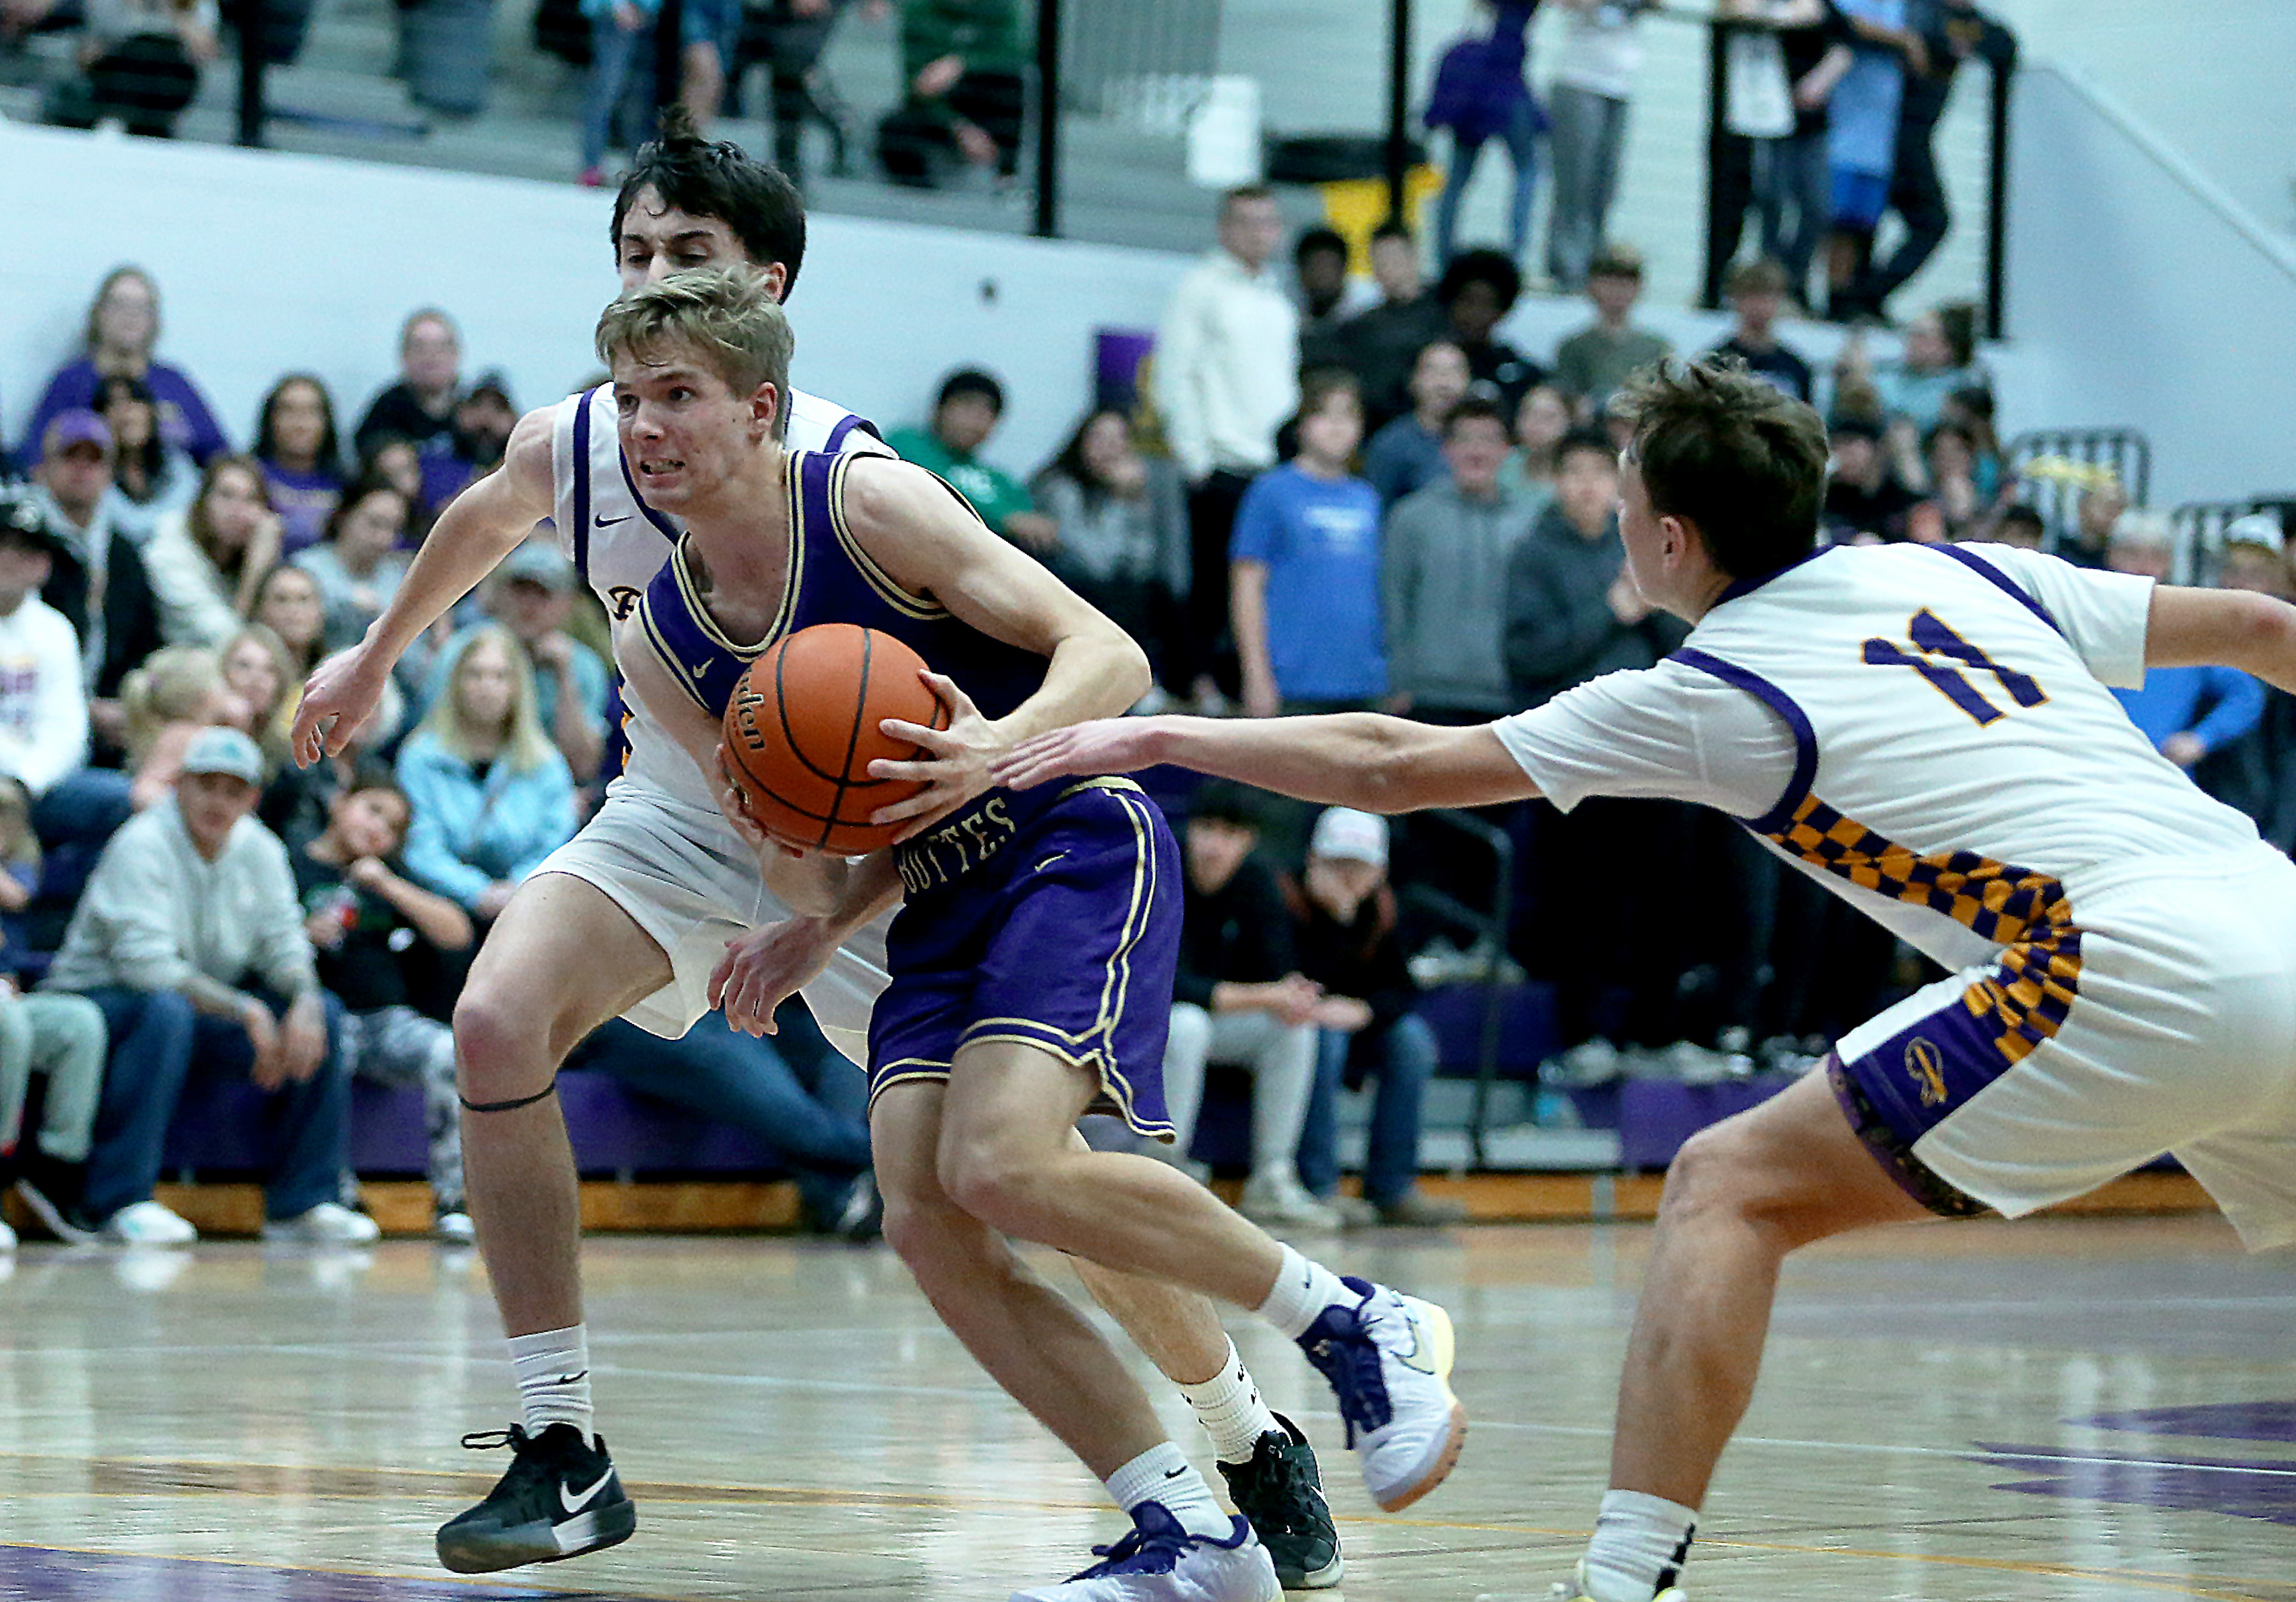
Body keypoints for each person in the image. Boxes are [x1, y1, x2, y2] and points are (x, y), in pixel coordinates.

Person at [998, 356, 2296, 1601]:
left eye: (1624, 509)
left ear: (1673, 539)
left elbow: (1392, 761)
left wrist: (1164, 730)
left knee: (1725, 1190)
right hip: (2271, 904)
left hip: (2110, 960)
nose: (1618, 532)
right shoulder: (1958, 566)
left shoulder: (1714, 686)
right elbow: (2251, 623)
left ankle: (1620, 1576)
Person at [291, 115, 1348, 1587]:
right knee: (492, 1011)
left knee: (1041, 1179)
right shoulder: (587, 433)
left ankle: (1240, 1429)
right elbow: (483, 517)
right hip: (674, 807)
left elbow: (1073, 649)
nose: (654, 277)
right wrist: (372, 652)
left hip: (866, 839)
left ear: (767, 292)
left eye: (689, 257)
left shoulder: (851, 471)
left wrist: (894, 833)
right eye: (634, 254)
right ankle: (560, 1439)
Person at [585, 268, 1457, 1594]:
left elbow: (1107, 652)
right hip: (931, 892)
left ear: (759, 408)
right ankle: (1188, 1527)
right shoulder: (658, 643)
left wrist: (994, 747)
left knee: (1003, 1158)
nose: (645, 428)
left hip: (1067, 832)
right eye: (629, 400)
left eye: (678, 396)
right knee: (927, 1210)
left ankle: (1352, 1321)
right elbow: (821, 864)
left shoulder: (865, 501)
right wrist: (809, 911)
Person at [45, 726, 377, 1247]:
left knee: (325, 1015)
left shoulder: (261, 849)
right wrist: (245, 1009)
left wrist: (305, 998)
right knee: (164, 1011)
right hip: (101, 1005)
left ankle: (304, 1202)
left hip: (197, 1009)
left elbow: (283, 943)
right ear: (180, 786)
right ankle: (118, 1200)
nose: (218, 802)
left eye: (233, 790)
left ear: (252, 798)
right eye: (207, 785)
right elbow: (146, 968)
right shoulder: (142, 843)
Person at [294, 780, 475, 1241]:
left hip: (387, 1021)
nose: (378, 830)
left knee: (451, 1051)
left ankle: (454, 1198)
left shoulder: (389, 876)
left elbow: (456, 933)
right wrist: (301, 934)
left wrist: (388, 884)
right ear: (339, 804)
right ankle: (337, 1193)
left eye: (392, 828)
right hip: (324, 1017)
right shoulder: (294, 864)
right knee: (331, 1051)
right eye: (372, 811)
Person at [1162, 784, 1341, 1233]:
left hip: (1217, 1019)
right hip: (1146, 1020)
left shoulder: (1258, 881)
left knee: (1293, 1029)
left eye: (1229, 833)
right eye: (1206, 828)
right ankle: (1164, 1168)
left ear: (1249, 840)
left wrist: (1292, 996)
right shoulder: (1163, 870)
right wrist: (1267, 995)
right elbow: (1170, 986)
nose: (1214, 844)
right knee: (1187, 1024)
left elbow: (1279, 971)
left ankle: (1272, 1179)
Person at [1156, 186, 1301, 702]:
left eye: (1268, 222)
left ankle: (1245, 684)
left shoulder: (1276, 296)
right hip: (1222, 463)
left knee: (1264, 588)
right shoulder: (1200, 288)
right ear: (1224, 228)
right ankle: (1197, 685)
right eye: (1246, 221)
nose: (1258, 232)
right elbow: (1173, 378)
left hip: (1272, 465)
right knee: (1213, 585)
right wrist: (1196, 459)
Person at [1286, 808, 1463, 1228]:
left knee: (1411, 1040)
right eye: (1337, 864)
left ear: (1379, 871)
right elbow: (1281, 972)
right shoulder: (1284, 897)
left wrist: (1364, 1010)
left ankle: (1392, 1187)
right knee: (1322, 1039)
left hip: (1353, 1026)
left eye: (1358, 866)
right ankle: (1318, 1187)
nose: (1347, 877)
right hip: (1295, 1025)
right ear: (1313, 859)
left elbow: (1403, 990)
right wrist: (1336, 921)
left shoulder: (1382, 910)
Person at [1836, 0, 2014, 322]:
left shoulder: (1962, 21)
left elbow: (2004, 45)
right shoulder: (1917, 10)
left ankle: (1862, 298)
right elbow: (1865, 29)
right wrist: (1918, 41)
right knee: (1880, 223)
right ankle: (1856, 299)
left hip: (1909, 137)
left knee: (1903, 223)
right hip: (1886, 134)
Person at [395, 626, 580, 925]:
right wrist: (477, 893)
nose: (487, 686)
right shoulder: (420, 756)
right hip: (443, 907)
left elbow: (556, 842)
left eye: (500, 676)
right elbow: (420, 845)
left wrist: (517, 889)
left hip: (529, 904)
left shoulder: (546, 761)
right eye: (475, 674)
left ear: (517, 686)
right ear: (455, 682)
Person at [1231, 372, 1387, 723]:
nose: (1337, 426)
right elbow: (1247, 585)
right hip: (1293, 681)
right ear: (1301, 425)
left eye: (1348, 415)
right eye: (1324, 414)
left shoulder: (1368, 499)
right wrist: (1256, 675)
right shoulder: (1271, 492)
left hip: (1364, 680)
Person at [1384, 394, 1541, 726]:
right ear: (1446, 448)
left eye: (1488, 439)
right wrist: (1397, 680)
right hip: (1427, 693)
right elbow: (1394, 600)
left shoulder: (1530, 522)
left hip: (1509, 694)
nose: (1476, 451)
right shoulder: (1411, 516)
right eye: (1465, 439)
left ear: (1508, 450)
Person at [1027, 408, 1192, 701]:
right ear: (1081, 441)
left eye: (1119, 440)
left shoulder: (1121, 491)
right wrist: (1120, 499)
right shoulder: (1059, 486)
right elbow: (1092, 560)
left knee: (1158, 589)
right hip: (1067, 585)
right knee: (1116, 593)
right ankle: (1132, 687)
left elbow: (1143, 563)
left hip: (1109, 588)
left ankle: (1175, 684)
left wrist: (1136, 502)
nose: (1109, 449)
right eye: (1099, 438)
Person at [16, 266, 229, 473]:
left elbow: (220, 457)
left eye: (142, 307)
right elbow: (34, 458)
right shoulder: (71, 382)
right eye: (119, 304)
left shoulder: (173, 384)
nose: (130, 316)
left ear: (154, 320)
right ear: (99, 313)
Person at [425, 545, 608, 782]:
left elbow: (583, 767)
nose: (530, 603)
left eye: (544, 593)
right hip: (461, 780)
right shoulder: (462, 650)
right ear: (500, 593)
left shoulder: (585, 667)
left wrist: (564, 676)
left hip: (543, 789)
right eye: (520, 589)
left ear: (567, 604)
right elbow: (432, 735)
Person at [1544, 0, 1654, 292]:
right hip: (1579, 79)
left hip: (1619, 84)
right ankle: (1568, 269)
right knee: (1575, 183)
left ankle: (1593, 265)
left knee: (1603, 185)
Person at [1424, 0, 1542, 268]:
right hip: (1504, 83)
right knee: (1528, 170)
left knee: (1458, 177)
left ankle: (1443, 258)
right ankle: (1516, 258)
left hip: (1473, 88)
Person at [884, 369, 1057, 551]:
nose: (976, 419)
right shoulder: (907, 444)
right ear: (940, 408)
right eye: (967, 406)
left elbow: (1030, 525)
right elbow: (929, 496)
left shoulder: (1000, 480)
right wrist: (1004, 521)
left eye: (988, 412)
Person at [877, 0, 1027, 188]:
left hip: (983, 97)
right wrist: (958, 127)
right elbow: (917, 85)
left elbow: (1016, 54)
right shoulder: (919, 10)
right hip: (939, 109)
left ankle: (1007, 174)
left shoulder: (999, 7)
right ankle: (921, 194)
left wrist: (962, 63)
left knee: (1012, 83)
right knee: (894, 128)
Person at [143, 455, 285, 646]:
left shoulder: (252, 547)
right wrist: (254, 571)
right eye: (227, 495)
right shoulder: (168, 553)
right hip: (177, 661)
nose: (238, 510)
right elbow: (229, 643)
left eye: (251, 499)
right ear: (203, 501)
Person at [1338, 221, 1448, 432]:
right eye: (1378, 261)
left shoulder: (1445, 312)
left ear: (1413, 256)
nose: (1386, 268)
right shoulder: (1361, 328)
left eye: (1393, 258)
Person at [293, 473, 414, 654]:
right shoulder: (305, 568)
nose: (384, 539)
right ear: (344, 517)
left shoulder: (400, 581)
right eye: (375, 524)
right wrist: (348, 603)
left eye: (394, 529)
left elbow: (415, 661)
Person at [1550, 242, 1672, 420]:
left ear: (1638, 288)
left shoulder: (1657, 348)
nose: (1617, 291)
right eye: (1608, 282)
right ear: (1591, 286)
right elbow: (1566, 400)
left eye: (1625, 283)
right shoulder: (1573, 347)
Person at [1360, 341, 1471, 508]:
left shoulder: (1483, 442)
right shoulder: (1392, 445)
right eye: (1434, 372)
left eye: (1455, 372)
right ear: (1414, 381)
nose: (1444, 384)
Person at [93, 373, 198, 546]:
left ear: (152, 412)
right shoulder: (93, 475)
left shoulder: (179, 468)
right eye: (113, 404)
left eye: (134, 401)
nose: (126, 413)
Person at [1436, 248, 1542, 418]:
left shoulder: (1519, 373)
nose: (1476, 313)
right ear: (1451, 304)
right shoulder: (1428, 365)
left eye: (1487, 304)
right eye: (1467, 301)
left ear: (1503, 311)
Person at [253, 374, 349, 555]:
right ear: (271, 419)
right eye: (289, 411)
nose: (300, 424)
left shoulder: (347, 489)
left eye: (312, 412)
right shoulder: (250, 477)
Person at [353, 310, 464, 464]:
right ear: (404, 356)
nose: (431, 356)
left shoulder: (474, 407)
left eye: (440, 348)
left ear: (456, 355)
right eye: (419, 348)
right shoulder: (386, 410)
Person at [1705, 257, 1816, 403]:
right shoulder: (1714, 364)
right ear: (1734, 299)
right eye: (1750, 297)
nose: (1759, 306)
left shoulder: (1797, 369)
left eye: (1767, 297)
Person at [1292, 226, 1364, 375]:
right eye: (1315, 266)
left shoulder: (1367, 303)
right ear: (1301, 271)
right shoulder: (1285, 306)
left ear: (1344, 269)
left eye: (1329, 267)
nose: (1322, 275)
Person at [1499, 381, 1570, 503]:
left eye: (1548, 417)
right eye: (1529, 414)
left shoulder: (1574, 475)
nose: (1536, 425)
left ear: (1568, 422)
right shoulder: (1501, 466)